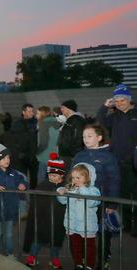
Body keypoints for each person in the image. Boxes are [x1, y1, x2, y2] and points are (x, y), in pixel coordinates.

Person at [72, 124, 120, 268]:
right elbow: (72, 177)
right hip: (81, 202)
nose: (86, 139)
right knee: (83, 231)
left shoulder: (108, 157)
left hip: (101, 202)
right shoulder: (79, 155)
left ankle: (103, 259)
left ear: (99, 138)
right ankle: (83, 261)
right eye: (84, 137)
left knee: (103, 232)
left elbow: (114, 180)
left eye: (89, 136)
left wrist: (111, 204)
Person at [96, 84, 137, 236]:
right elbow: (99, 123)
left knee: (135, 193)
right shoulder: (114, 117)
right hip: (118, 161)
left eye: (122, 100)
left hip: (134, 161)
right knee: (124, 194)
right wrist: (104, 107)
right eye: (117, 101)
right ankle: (126, 224)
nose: (120, 103)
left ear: (129, 99)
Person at [23, 153, 67, 269]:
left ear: (61, 175)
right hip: (43, 219)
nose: (52, 177)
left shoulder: (66, 187)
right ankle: (32, 257)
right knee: (38, 239)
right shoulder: (43, 185)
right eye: (51, 175)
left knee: (56, 241)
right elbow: (37, 201)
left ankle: (54, 259)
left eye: (55, 175)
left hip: (58, 220)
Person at [57, 163, 101, 270]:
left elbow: (92, 202)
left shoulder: (93, 190)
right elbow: (63, 201)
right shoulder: (71, 188)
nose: (75, 180)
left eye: (78, 177)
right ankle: (78, 264)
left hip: (87, 226)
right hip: (72, 224)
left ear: (88, 177)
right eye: (73, 177)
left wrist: (82, 188)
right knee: (75, 247)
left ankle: (90, 266)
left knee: (89, 248)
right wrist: (61, 192)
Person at [35, 106, 61, 184]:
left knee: (41, 180)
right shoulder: (56, 122)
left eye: (38, 113)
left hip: (45, 156)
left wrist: (36, 152)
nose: (36, 115)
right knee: (54, 180)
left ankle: (41, 195)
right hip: (55, 155)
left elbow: (43, 143)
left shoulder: (43, 124)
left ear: (43, 114)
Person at [56, 99, 86, 167]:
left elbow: (78, 138)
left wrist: (74, 155)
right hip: (66, 155)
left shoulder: (76, 120)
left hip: (70, 156)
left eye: (63, 107)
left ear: (69, 108)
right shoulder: (68, 121)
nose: (61, 109)